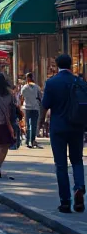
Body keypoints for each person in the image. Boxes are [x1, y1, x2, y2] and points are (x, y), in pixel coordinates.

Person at [39, 53, 86, 214]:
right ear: (71, 65)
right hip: (77, 126)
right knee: (77, 160)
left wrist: (39, 124)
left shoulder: (52, 83)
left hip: (58, 128)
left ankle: (65, 202)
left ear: (57, 65)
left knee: (61, 165)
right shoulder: (79, 82)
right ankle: (79, 187)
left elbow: (45, 106)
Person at [21, 72, 42, 149]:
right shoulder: (37, 87)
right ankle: (32, 140)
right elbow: (40, 97)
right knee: (33, 125)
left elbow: (21, 97)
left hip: (27, 108)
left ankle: (28, 140)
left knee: (28, 125)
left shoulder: (24, 87)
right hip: (35, 107)